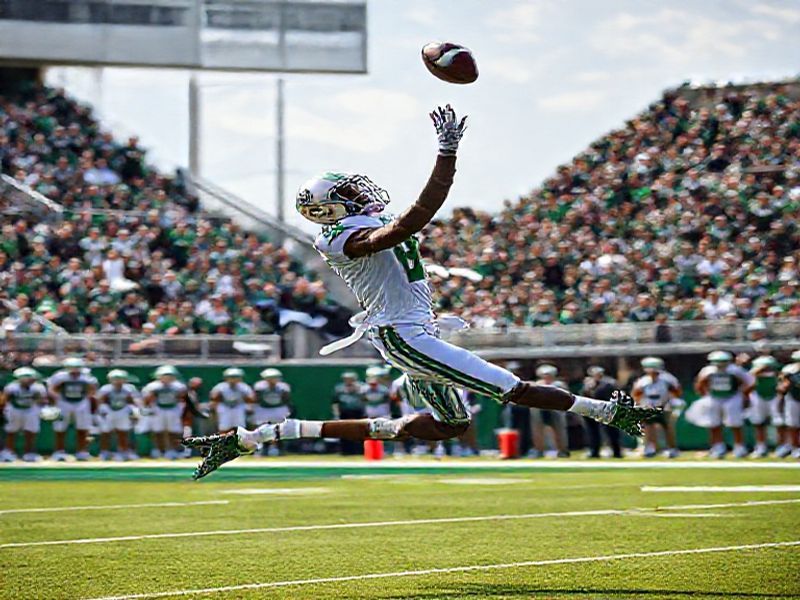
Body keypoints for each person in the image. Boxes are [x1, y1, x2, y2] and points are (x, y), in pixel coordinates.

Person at [184, 104, 660, 479]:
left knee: (450, 426)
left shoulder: (356, 223)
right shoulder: (338, 237)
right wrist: (446, 154)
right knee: (510, 389)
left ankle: (271, 433)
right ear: (331, 211)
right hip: (402, 336)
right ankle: (604, 411)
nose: (361, 196)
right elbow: (413, 219)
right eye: (348, 195)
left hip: (415, 331)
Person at [693, 351, 754, 458]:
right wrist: (704, 395)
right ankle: (718, 447)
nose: (720, 365)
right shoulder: (707, 371)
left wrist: (744, 395)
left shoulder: (735, 370)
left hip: (732, 397)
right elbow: (699, 383)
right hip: (714, 397)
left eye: (723, 362)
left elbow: (750, 382)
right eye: (718, 362)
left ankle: (739, 447)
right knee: (713, 423)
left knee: (735, 423)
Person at [631, 357, 683, 458]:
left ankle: (672, 448)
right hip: (648, 407)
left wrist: (671, 400)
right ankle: (651, 448)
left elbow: (677, 391)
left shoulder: (668, 379)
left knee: (668, 428)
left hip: (664, 406)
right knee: (649, 428)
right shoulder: (643, 381)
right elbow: (636, 394)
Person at [48, 357, 97, 461]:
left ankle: (82, 451)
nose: (74, 370)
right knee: (60, 428)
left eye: (77, 367)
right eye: (72, 367)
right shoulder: (59, 377)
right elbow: (51, 389)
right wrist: (59, 398)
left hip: (81, 403)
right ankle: (59, 452)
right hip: (64, 403)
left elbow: (92, 389)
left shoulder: (87, 377)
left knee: (82, 428)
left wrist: (85, 398)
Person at [1, 367, 48, 462]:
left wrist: (42, 405)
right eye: (24, 377)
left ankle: (29, 453)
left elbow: (42, 400)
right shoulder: (11, 387)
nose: (27, 379)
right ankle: (9, 452)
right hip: (14, 410)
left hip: (31, 410)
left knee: (31, 432)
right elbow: (5, 400)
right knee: (11, 432)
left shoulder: (39, 387)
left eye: (29, 377)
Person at [142, 365, 188, 459]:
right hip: (158, 409)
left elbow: (183, 398)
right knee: (157, 431)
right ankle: (158, 450)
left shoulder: (179, 386)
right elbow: (146, 400)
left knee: (174, 431)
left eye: (170, 375)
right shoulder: (152, 386)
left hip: (173, 409)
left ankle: (172, 450)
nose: (167, 378)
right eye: (165, 375)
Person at [96, 369, 139, 461]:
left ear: (124, 379)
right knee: (106, 433)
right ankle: (104, 452)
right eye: (115, 379)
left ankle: (122, 452)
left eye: (120, 379)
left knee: (123, 433)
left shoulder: (129, 388)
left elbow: (134, 401)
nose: (117, 381)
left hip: (123, 411)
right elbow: (100, 401)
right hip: (109, 411)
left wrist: (135, 411)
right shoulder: (105, 389)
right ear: (110, 379)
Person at [581, 366, 622, 459]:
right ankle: (594, 451)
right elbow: (584, 395)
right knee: (593, 432)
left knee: (612, 432)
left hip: (606, 409)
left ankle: (616, 452)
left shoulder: (609, 383)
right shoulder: (587, 383)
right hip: (592, 409)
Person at [529, 364, 569, 458]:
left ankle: (562, 450)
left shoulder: (559, 385)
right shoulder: (537, 384)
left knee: (560, 431)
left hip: (556, 410)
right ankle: (539, 450)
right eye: (545, 375)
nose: (547, 377)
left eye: (549, 374)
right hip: (539, 410)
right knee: (537, 431)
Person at [252, 368, 292, 456]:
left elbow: (286, 399)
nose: (272, 380)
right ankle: (261, 447)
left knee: (278, 428)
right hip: (263, 409)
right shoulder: (259, 387)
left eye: (274, 377)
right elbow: (256, 399)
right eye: (269, 378)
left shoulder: (284, 387)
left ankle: (275, 448)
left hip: (278, 408)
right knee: (262, 428)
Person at [748, 355, 781, 457]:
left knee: (779, 423)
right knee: (759, 423)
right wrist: (758, 369)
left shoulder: (777, 373)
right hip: (758, 398)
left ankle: (783, 446)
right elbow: (748, 378)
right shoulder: (754, 375)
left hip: (775, 397)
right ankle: (761, 447)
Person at [210, 368, 255, 433]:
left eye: (236, 377)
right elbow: (213, 398)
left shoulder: (244, 387)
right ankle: (223, 441)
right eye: (231, 377)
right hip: (225, 407)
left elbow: (251, 399)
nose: (233, 379)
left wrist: (245, 397)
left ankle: (239, 442)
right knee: (224, 427)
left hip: (239, 407)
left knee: (240, 428)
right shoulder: (220, 387)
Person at [332, 372, 366, 455]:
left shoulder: (362, 387)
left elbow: (365, 398)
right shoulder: (339, 388)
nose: (348, 381)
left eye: (350, 379)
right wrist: (336, 413)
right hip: (345, 412)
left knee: (359, 432)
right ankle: (345, 451)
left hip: (358, 412)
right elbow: (335, 401)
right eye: (346, 379)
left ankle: (360, 450)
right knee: (344, 432)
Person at [777, 352, 800, 459]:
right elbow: (781, 386)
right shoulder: (789, 370)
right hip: (792, 398)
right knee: (792, 425)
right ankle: (795, 447)